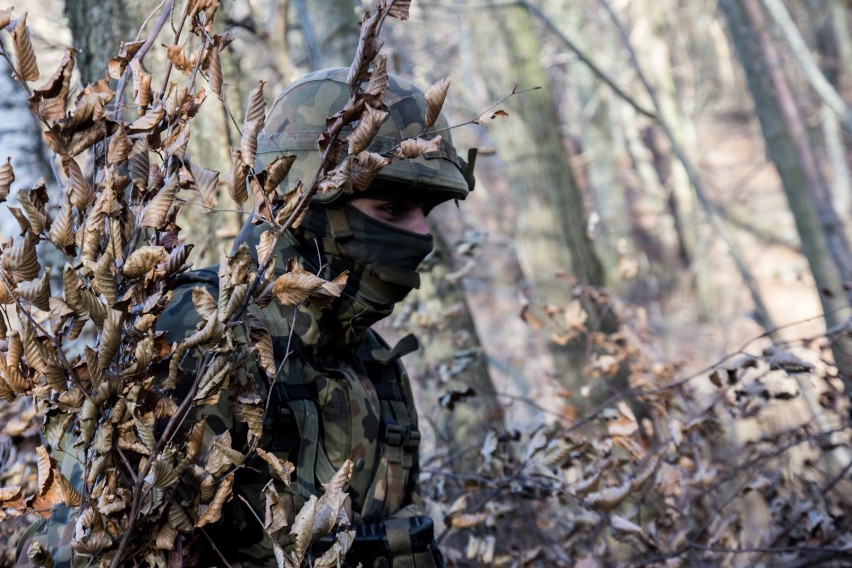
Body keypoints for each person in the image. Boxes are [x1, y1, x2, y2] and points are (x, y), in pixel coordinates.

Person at [162, 67, 475, 566]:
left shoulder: (375, 363)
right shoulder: (197, 334)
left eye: (427, 211)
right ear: (305, 205)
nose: (421, 235)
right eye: (393, 208)